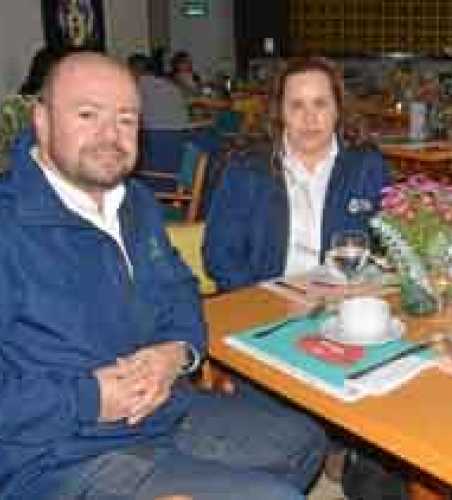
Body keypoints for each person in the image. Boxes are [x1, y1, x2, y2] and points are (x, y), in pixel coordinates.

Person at [0, 51, 327, 499]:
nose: (109, 135)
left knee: (303, 441)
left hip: (161, 412)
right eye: (87, 114)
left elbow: (182, 292)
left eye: (126, 119)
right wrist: (88, 398)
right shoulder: (9, 226)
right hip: (57, 458)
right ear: (41, 119)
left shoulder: (136, 203)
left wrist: (178, 352)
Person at [203, 57, 390, 291]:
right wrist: (265, 301)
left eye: (320, 103)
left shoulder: (366, 165)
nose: (309, 118)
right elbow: (220, 256)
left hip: (345, 302)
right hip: (267, 303)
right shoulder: (246, 169)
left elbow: (389, 248)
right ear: (280, 112)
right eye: (297, 105)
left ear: (338, 110)